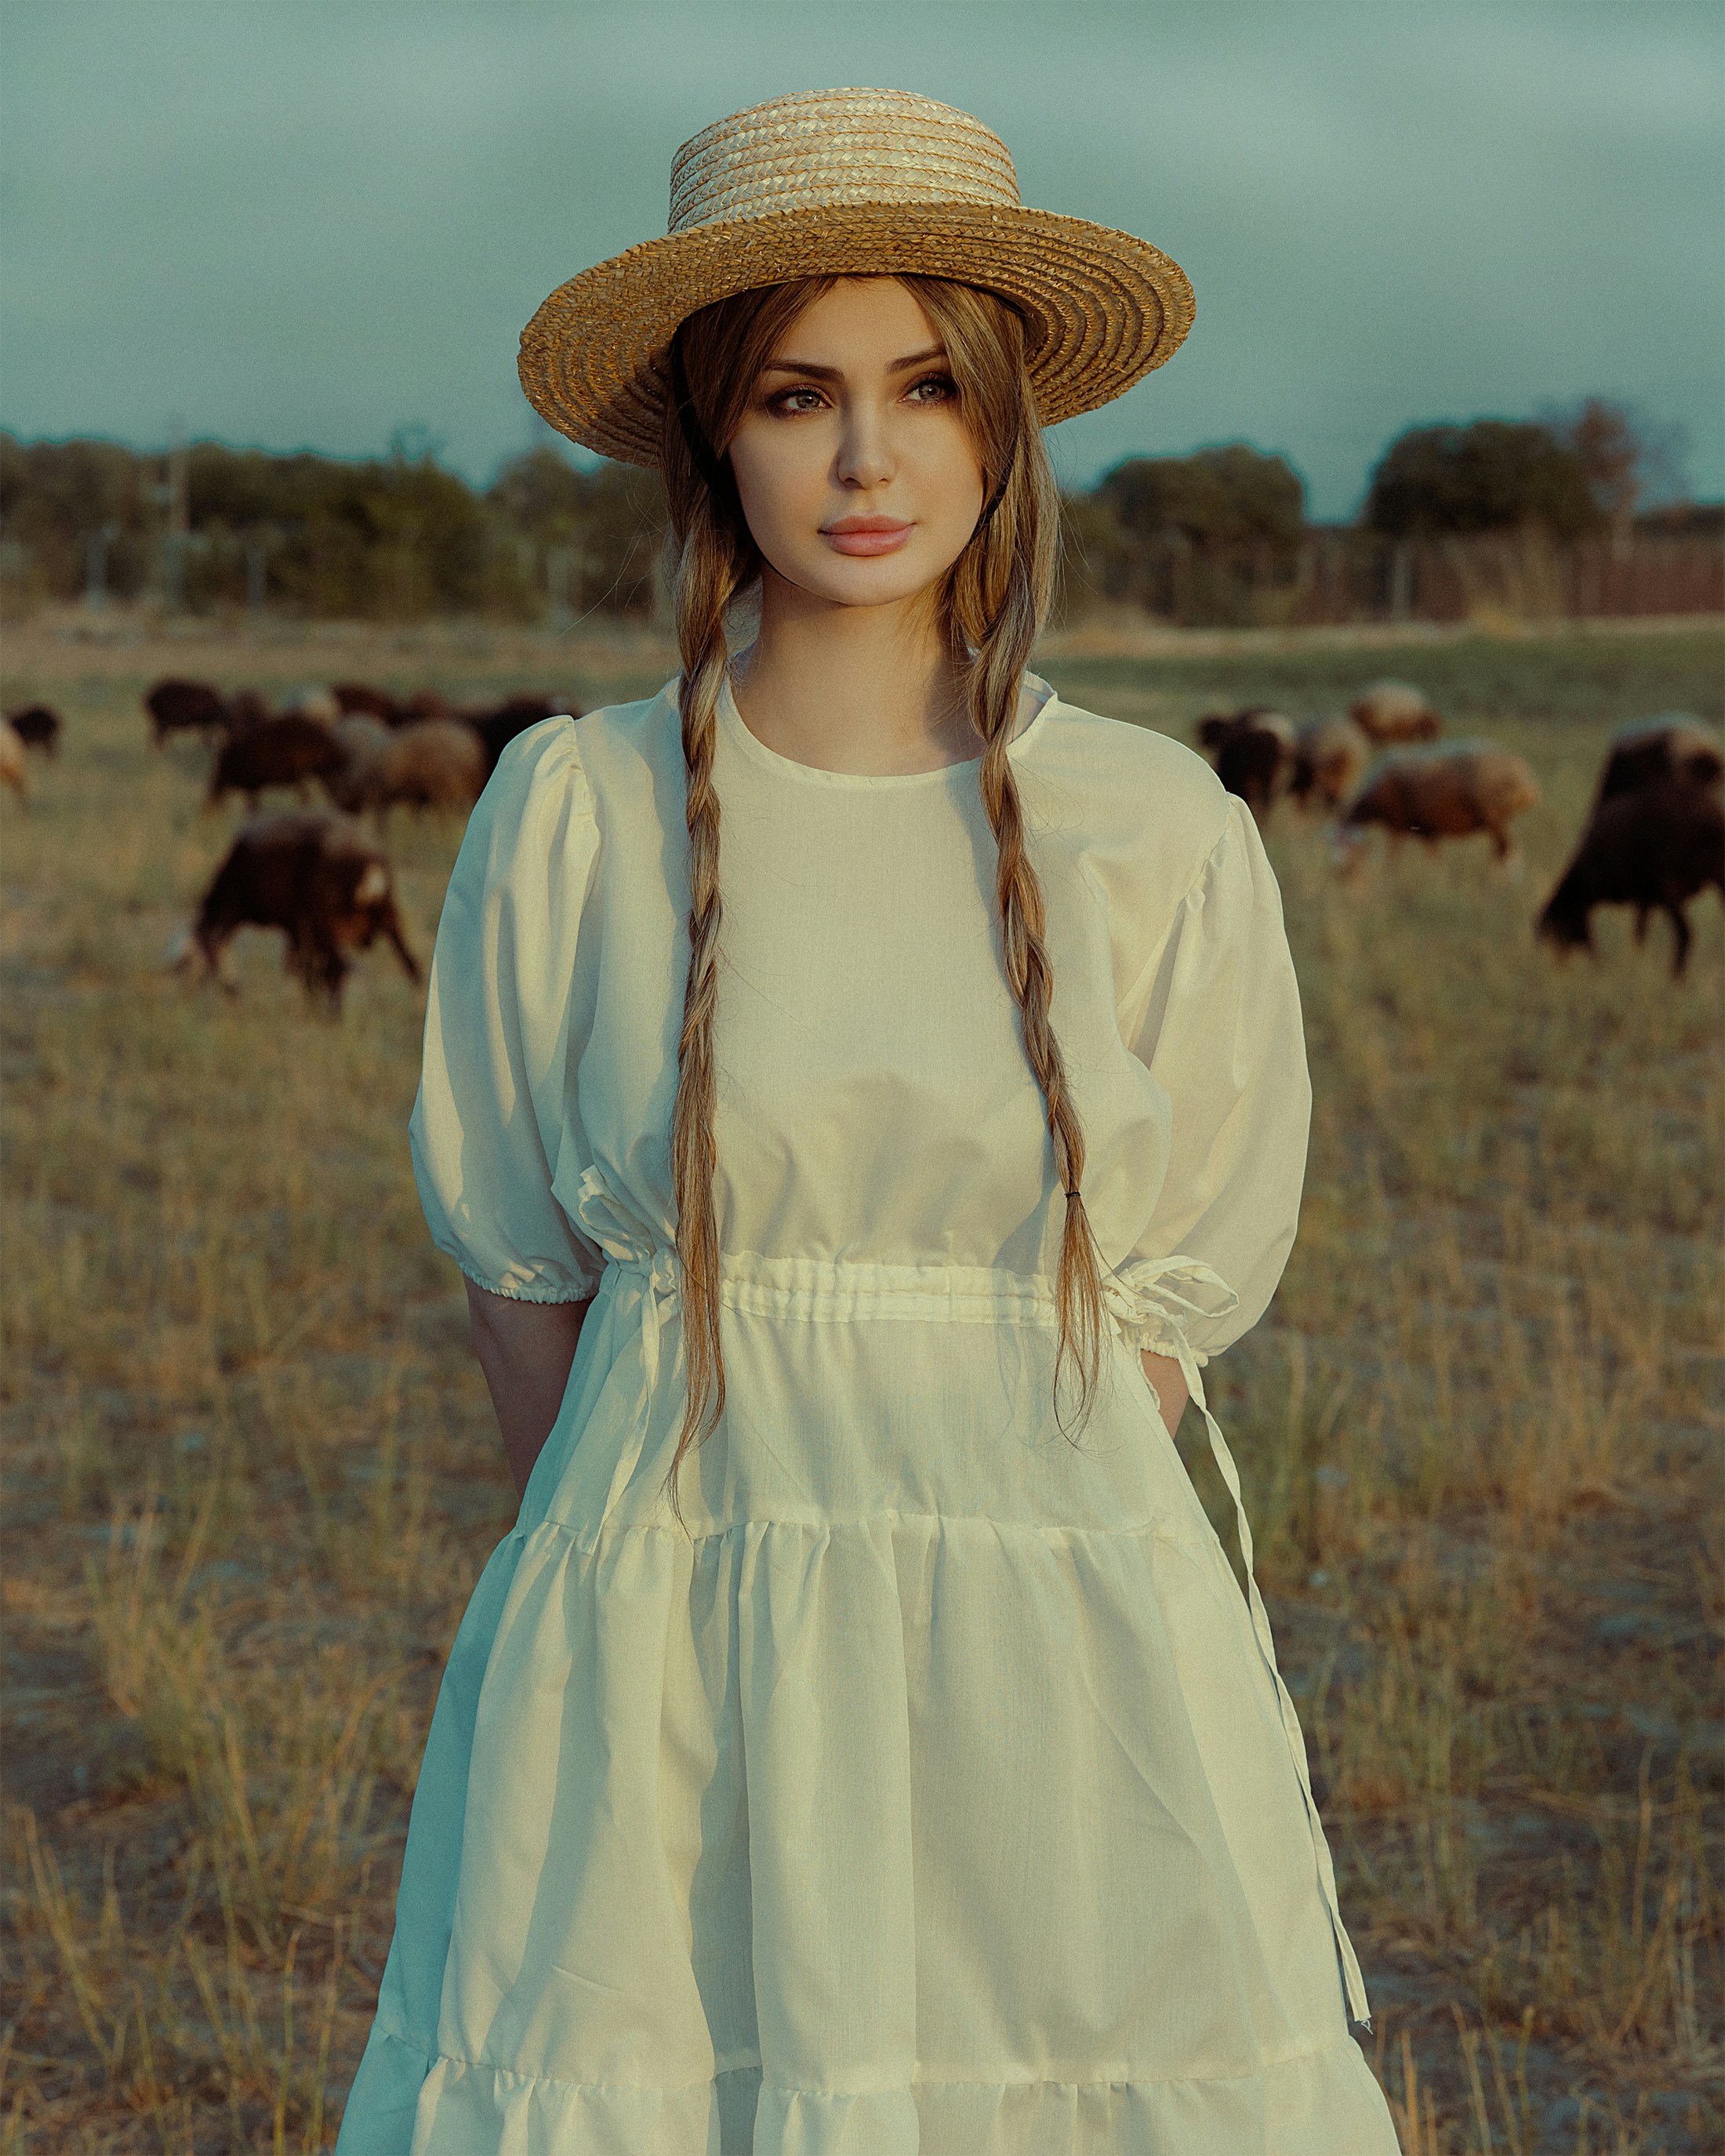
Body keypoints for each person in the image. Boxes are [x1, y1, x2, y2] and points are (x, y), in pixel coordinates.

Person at [335, 86, 1401, 2156]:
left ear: (1003, 420)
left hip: (1055, 1635)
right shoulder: (571, 810)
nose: (862, 456)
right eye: (799, 393)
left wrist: (973, 1551)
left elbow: (1168, 1306)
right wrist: (663, 1575)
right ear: (714, 433)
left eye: (924, 387)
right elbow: (519, 1281)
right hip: (661, 1614)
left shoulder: (1153, 828)